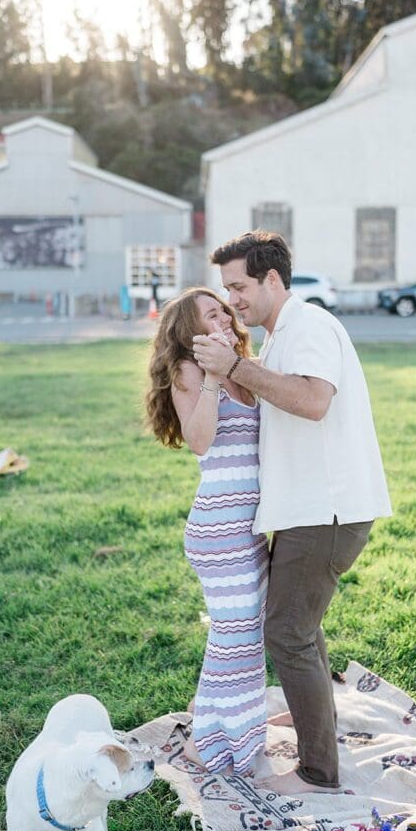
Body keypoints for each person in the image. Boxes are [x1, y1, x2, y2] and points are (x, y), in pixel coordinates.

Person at [193, 231, 391, 795]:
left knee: (287, 631)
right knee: (299, 629)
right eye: (227, 288)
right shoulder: (280, 335)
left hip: (327, 511)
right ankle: (318, 743)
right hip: (307, 511)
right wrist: (226, 370)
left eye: (240, 287)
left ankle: (317, 773)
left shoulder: (309, 326)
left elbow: (311, 400)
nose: (233, 299)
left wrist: (235, 364)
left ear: (273, 279)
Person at [146, 287, 268, 775]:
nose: (224, 316)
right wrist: (216, 377)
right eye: (210, 314)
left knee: (248, 633)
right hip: (219, 530)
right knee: (232, 636)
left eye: (223, 309)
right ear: (189, 333)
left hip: (252, 528)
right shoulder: (188, 371)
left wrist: (233, 369)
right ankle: (208, 742)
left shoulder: (243, 366)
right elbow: (199, 441)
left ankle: (236, 731)